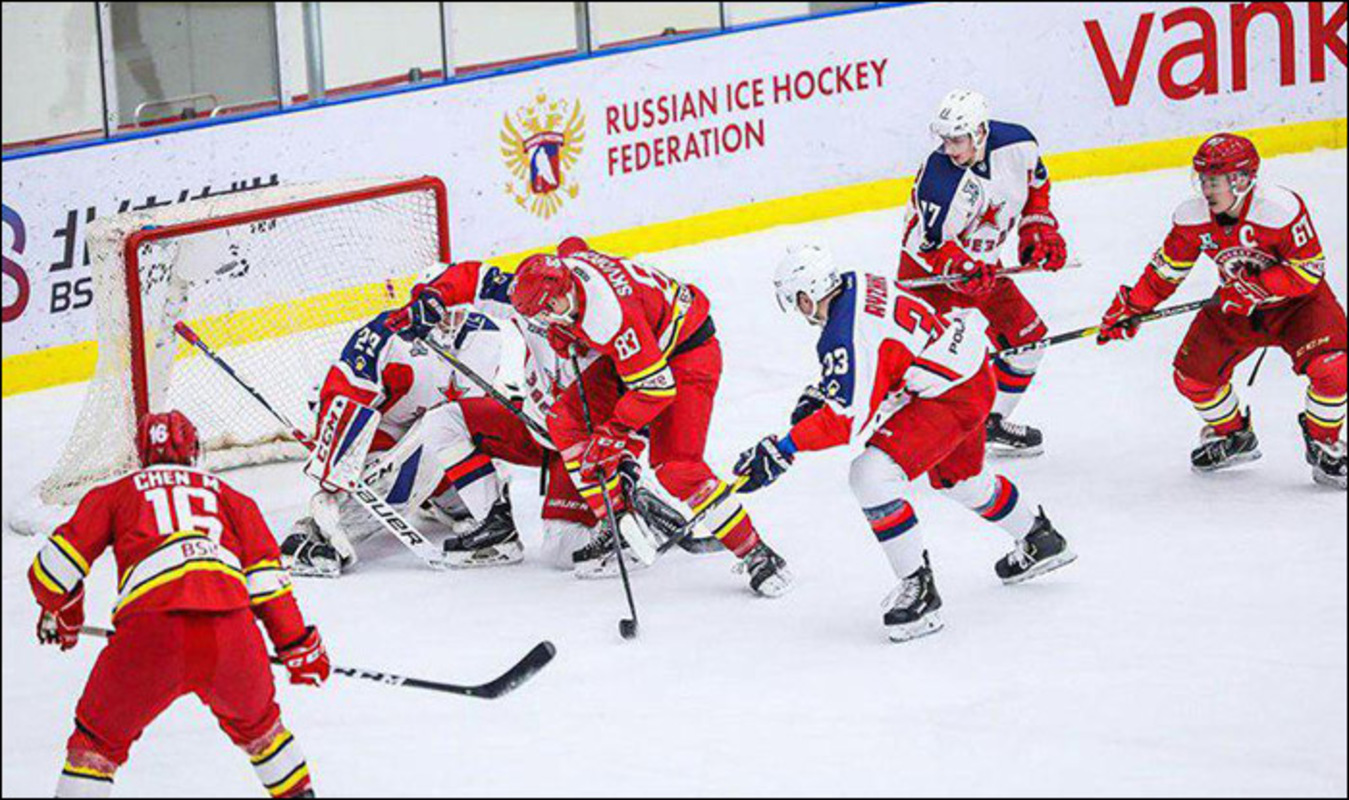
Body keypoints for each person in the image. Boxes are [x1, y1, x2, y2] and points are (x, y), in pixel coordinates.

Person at [734, 244, 1075, 641]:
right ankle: (1040, 538)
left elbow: (846, 420)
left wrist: (784, 448)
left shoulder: (844, 334)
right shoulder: (856, 283)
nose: (798, 309)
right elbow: (881, 360)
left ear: (808, 296)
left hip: (951, 395)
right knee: (959, 480)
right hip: (970, 373)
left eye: (796, 300)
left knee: (870, 476)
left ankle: (920, 591)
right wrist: (823, 392)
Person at [28, 410, 328, 797]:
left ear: (140, 453)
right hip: (232, 635)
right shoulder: (233, 499)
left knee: (96, 745)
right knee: (263, 732)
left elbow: (51, 573)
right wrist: (297, 646)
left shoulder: (115, 493)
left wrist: (66, 612)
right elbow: (269, 588)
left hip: (150, 636)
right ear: (195, 449)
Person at [504, 237, 793, 596]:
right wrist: (565, 329)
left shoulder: (610, 316)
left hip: (687, 354)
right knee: (565, 419)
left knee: (677, 466)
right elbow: (572, 244)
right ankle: (618, 524)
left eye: (550, 309)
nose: (549, 316)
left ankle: (756, 554)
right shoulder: (571, 270)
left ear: (562, 290)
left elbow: (656, 389)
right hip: (645, 351)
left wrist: (614, 433)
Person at [1098, 133, 1346, 489]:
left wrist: (1260, 286)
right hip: (1236, 306)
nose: (1206, 189)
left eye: (1214, 181)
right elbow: (1167, 271)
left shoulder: (1279, 209)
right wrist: (1131, 307)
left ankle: (1325, 444)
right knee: (1192, 377)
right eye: (1202, 180)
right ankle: (1233, 437)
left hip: (1299, 305)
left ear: (1242, 180)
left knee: (1335, 368)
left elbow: (1308, 269)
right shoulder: (1192, 218)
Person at [897, 89, 1071, 456]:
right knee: (923, 364)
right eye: (944, 140)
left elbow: (1037, 190)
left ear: (979, 132)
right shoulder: (939, 179)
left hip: (985, 268)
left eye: (957, 140)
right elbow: (931, 245)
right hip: (930, 276)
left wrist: (1039, 232)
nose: (949, 149)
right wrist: (958, 267)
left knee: (1029, 342)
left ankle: (989, 424)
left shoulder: (1020, 144)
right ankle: (911, 438)